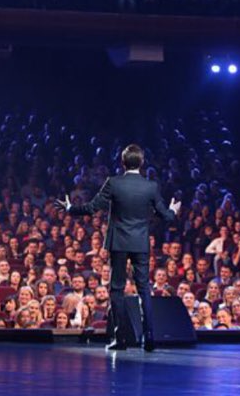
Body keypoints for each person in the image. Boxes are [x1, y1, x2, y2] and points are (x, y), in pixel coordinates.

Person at [58, 144, 180, 351]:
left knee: (116, 289)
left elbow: (91, 208)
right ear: (141, 163)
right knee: (144, 289)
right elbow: (165, 216)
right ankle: (149, 337)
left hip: (119, 242)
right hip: (140, 242)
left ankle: (120, 339)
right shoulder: (150, 186)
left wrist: (70, 208)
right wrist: (173, 211)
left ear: (123, 163)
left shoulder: (114, 183)